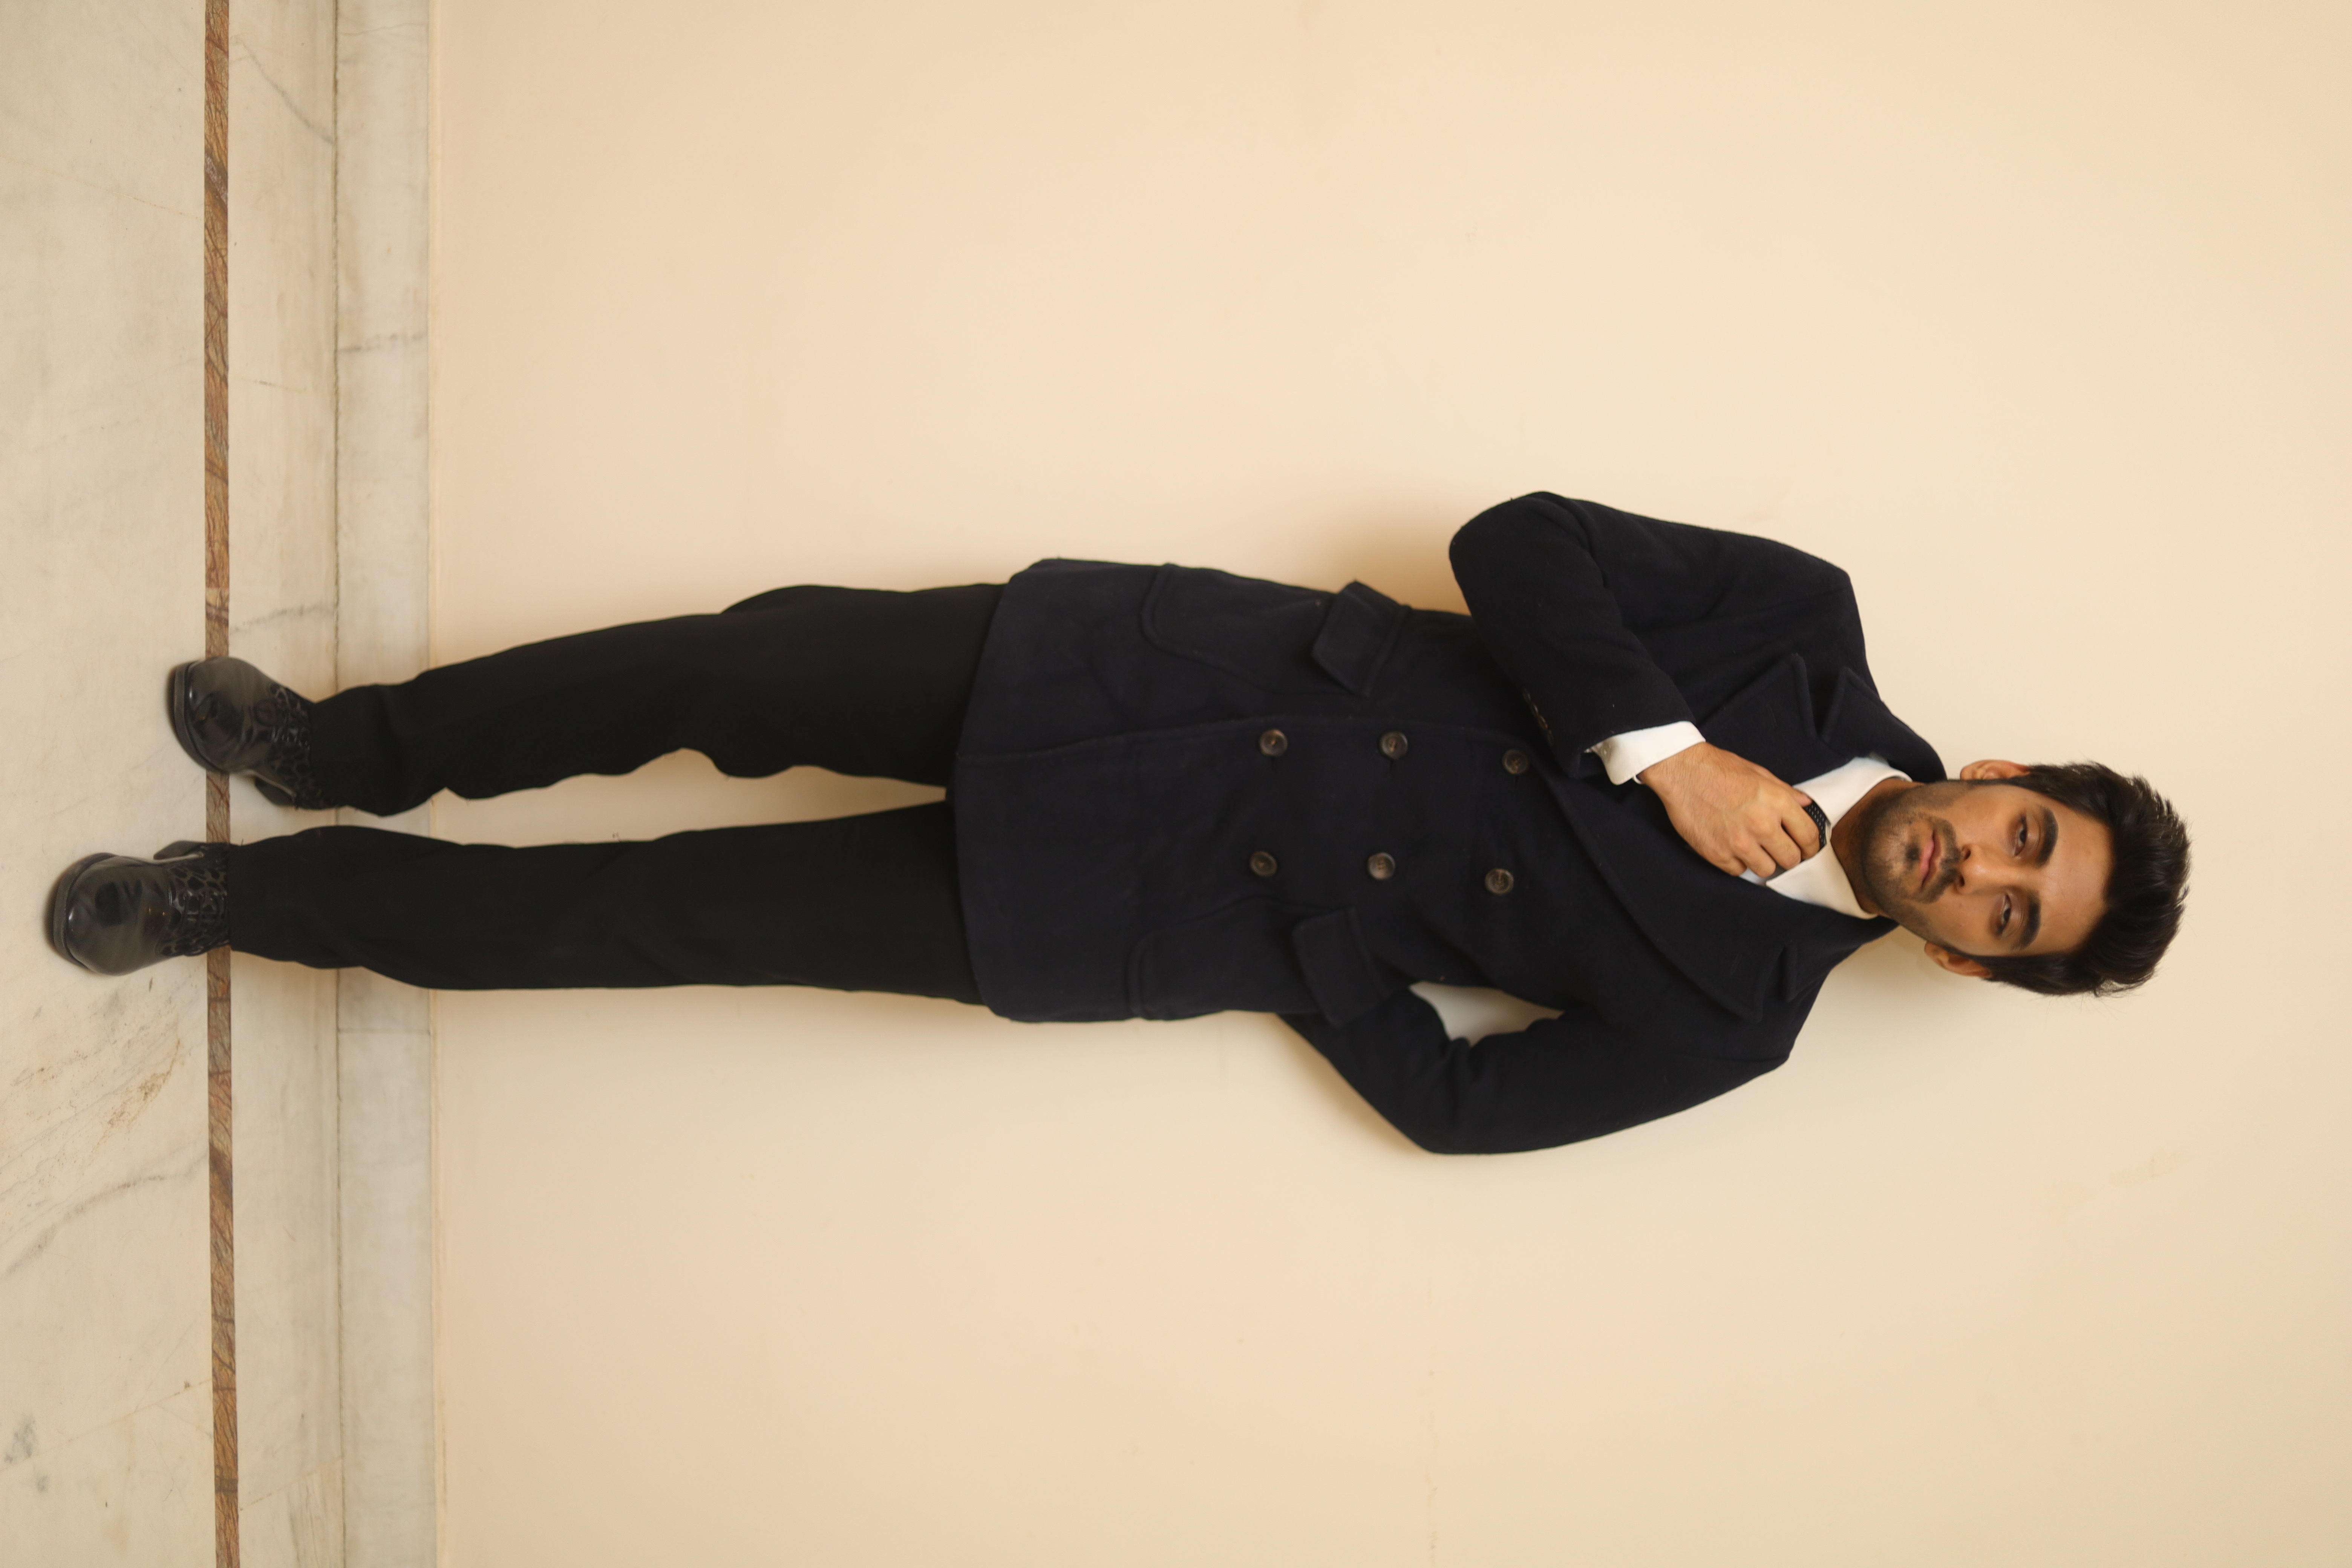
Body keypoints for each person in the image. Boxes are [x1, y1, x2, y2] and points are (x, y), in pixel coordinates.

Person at [47, 493, 2190, 1154]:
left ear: (1962, 964)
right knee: (716, 673)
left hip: (1126, 904)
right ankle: (342, 747)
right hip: (1143, 673)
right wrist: (1663, 746)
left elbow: (1463, 1109)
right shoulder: (1801, 633)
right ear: (2011, 772)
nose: (1986, 873)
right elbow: (1520, 540)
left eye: (2014, 921)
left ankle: (237, 898)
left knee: (641, 922)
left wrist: (1307, 944)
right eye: (2029, 840)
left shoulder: (1739, 1015)